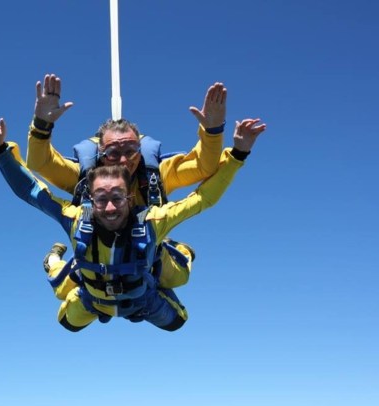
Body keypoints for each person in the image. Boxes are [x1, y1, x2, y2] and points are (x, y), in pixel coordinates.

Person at [0, 114, 266, 332]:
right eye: (101, 199)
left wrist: (238, 154)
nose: (111, 207)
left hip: (143, 292)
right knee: (66, 316)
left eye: (117, 197)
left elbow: (203, 198)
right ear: (90, 199)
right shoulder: (76, 218)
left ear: (130, 197)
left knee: (177, 310)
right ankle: (53, 258)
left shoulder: (153, 220)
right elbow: (32, 191)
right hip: (91, 295)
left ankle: (177, 251)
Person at [26, 73, 228, 290]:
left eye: (130, 151)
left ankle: (180, 250)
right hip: (96, 252)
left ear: (140, 151)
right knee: (64, 289)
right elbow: (40, 163)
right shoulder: (85, 178)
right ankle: (53, 260)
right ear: (101, 154)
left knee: (177, 278)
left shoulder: (155, 175)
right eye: (113, 152)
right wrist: (42, 125)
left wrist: (212, 132)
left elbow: (203, 167)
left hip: (145, 249)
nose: (123, 161)